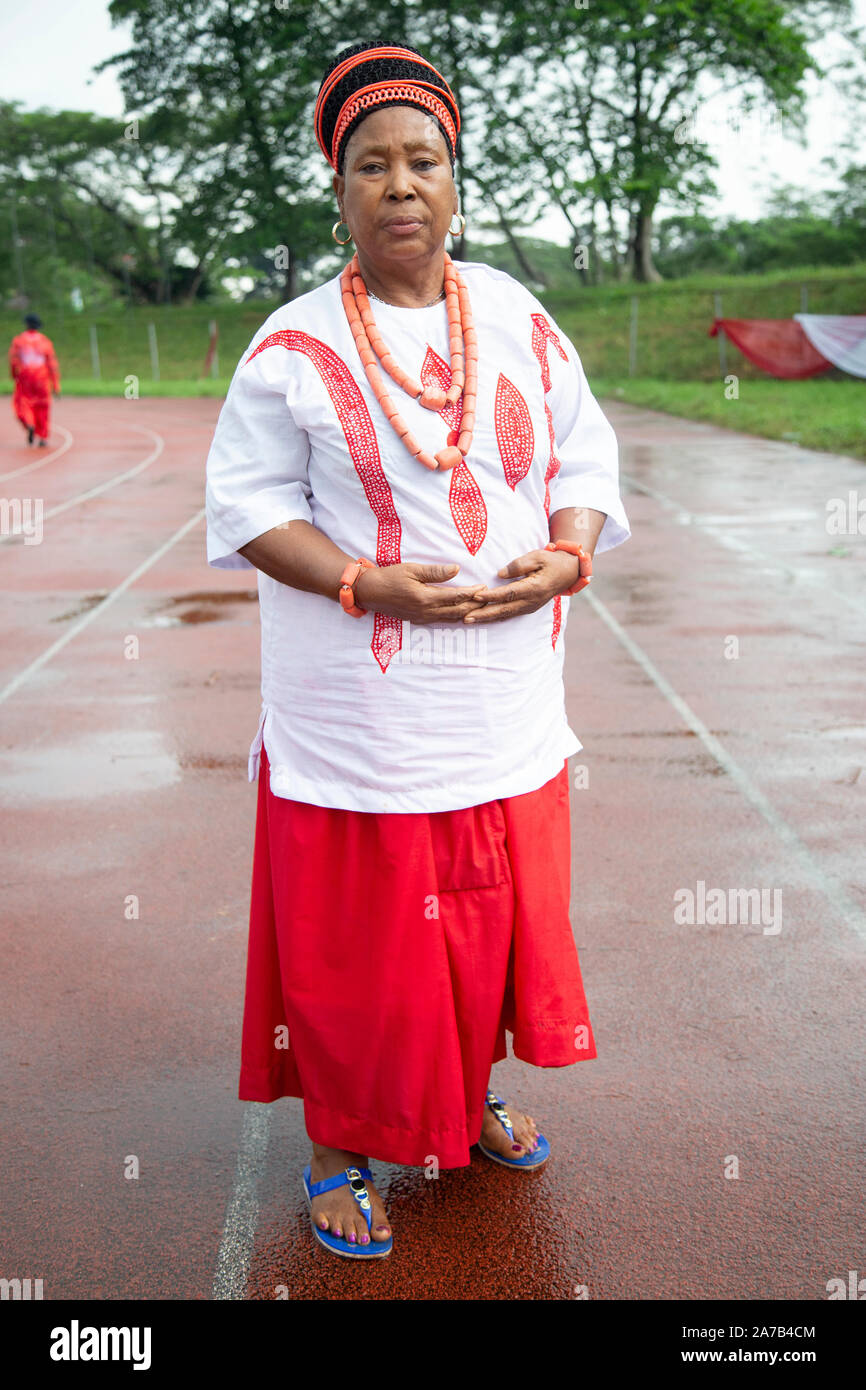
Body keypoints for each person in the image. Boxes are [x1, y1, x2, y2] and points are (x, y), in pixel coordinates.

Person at [205, 38, 630, 1261]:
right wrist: (357, 578)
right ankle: (341, 1147)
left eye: (423, 160)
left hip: (501, 702)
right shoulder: (290, 347)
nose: (400, 184)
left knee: (490, 915)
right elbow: (244, 506)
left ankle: (463, 1093)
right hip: (361, 718)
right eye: (371, 165)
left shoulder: (517, 313)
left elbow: (583, 456)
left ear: (455, 181)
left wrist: (569, 548)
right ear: (337, 191)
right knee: (366, 942)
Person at [8, 313, 61, 447]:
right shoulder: (45, 342)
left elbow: (14, 361)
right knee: (43, 406)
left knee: (23, 403)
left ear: (26, 325)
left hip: (25, 377)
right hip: (42, 378)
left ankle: (29, 423)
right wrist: (55, 384)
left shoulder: (19, 341)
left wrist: (14, 375)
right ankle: (43, 436)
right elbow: (52, 364)